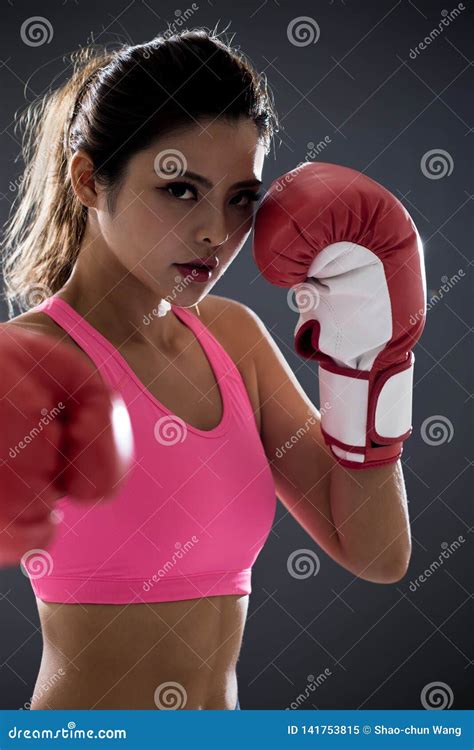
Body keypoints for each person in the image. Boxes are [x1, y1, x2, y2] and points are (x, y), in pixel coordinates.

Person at [0, 29, 425, 711]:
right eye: (180, 190)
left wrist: (367, 363)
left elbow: (377, 554)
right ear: (88, 180)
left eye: (239, 198)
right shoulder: (28, 363)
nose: (215, 233)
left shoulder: (233, 339)